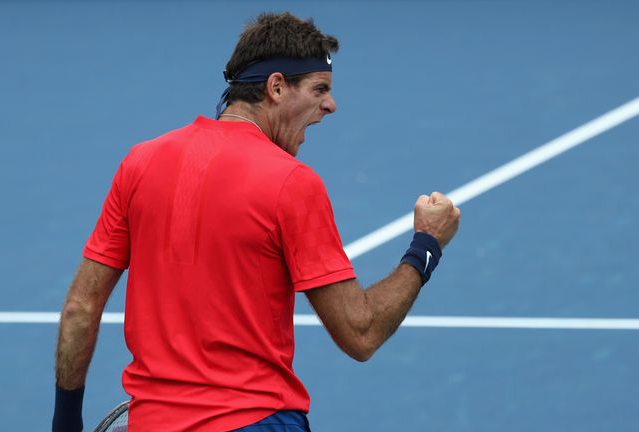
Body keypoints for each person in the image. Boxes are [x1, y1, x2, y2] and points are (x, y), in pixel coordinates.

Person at [53, 12, 460, 432]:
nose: (331, 105)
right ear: (277, 87)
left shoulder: (139, 164)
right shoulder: (292, 183)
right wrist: (425, 246)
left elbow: (80, 309)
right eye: (320, 89)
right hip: (256, 421)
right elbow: (361, 333)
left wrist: (65, 424)